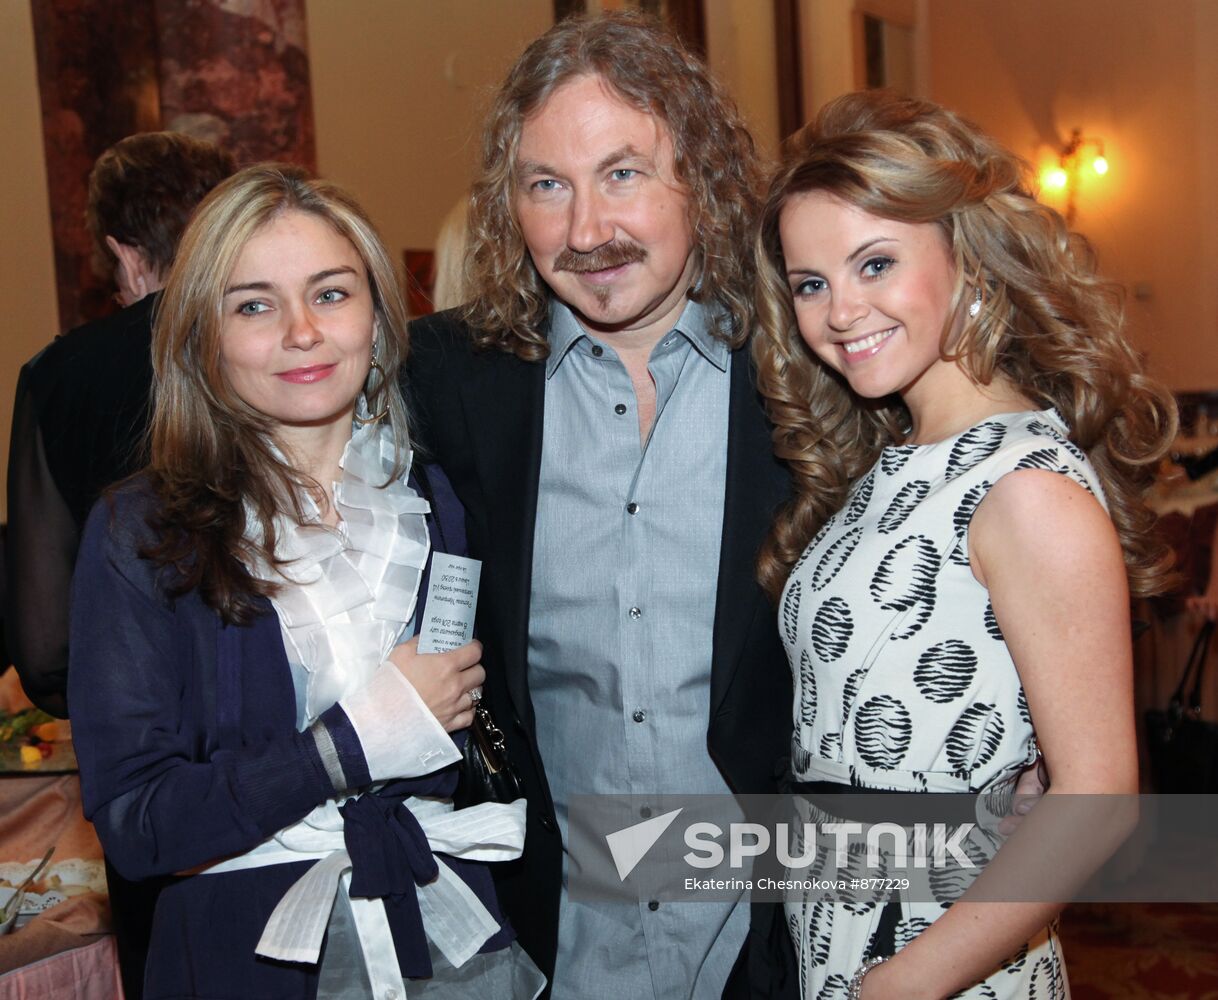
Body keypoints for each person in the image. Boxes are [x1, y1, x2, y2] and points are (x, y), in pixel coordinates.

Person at [68, 164, 545, 999]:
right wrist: (346, 745)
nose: (302, 332)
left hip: (442, 931)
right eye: (254, 304)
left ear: (378, 315)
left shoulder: (436, 500)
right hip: (247, 958)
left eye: (331, 293)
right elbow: (138, 828)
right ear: (199, 335)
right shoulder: (142, 532)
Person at [752, 90, 1177, 998]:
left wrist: (893, 988)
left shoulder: (1024, 488)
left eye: (876, 263)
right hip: (848, 934)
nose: (839, 312)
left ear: (966, 261)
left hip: (941, 966)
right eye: (810, 283)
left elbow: (1099, 800)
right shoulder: (900, 459)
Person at [405, 12, 796, 999]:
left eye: (622, 173)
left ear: (700, 177)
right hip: (553, 938)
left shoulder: (808, 368)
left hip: (764, 937)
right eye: (548, 186)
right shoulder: (452, 382)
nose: (586, 233)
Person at [7, 130, 235, 719]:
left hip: (141, 721)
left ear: (127, 256)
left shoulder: (56, 377)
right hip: (295, 706)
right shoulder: (276, 343)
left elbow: (45, 649)